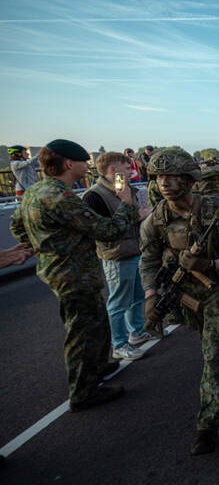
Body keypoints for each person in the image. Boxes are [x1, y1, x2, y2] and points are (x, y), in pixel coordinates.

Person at [9, 139, 139, 412]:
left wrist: (40, 246)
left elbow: (16, 224)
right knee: (82, 330)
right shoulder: (62, 197)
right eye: (83, 162)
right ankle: (83, 392)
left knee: (96, 322)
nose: (87, 166)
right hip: (74, 274)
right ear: (69, 164)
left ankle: (97, 367)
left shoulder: (35, 192)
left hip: (60, 270)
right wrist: (127, 205)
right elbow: (107, 231)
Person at [139, 148, 219, 456]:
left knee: (212, 352)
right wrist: (150, 296)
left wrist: (210, 266)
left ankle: (207, 425)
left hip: (217, 290)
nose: (164, 183)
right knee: (208, 339)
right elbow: (147, 260)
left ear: (188, 179)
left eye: (171, 176)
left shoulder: (216, 213)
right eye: (160, 177)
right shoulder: (156, 219)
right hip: (186, 296)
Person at [83, 152, 153, 362]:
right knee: (119, 301)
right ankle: (119, 343)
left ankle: (136, 332)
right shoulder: (94, 196)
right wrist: (134, 213)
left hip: (133, 249)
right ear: (112, 169)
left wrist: (140, 214)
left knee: (136, 296)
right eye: (125, 168)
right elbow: (105, 230)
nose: (130, 171)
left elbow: (131, 218)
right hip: (116, 255)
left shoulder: (123, 190)